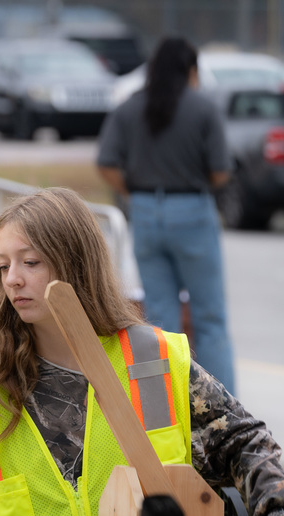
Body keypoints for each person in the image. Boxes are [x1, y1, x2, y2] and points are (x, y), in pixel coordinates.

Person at [0, 187, 284, 516]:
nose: (13, 279)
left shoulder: (153, 361)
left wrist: (277, 511)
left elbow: (245, 441)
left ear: (76, 263)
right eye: (3, 265)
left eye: (30, 262)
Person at [96, 36, 236, 394]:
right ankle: (224, 408)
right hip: (192, 210)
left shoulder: (130, 107)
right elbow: (221, 172)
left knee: (159, 321)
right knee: (209, 318)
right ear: (191, 71)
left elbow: (106, 163)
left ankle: (164, 405)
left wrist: (135, 193)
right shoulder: (203, 108)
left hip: (145, 211)